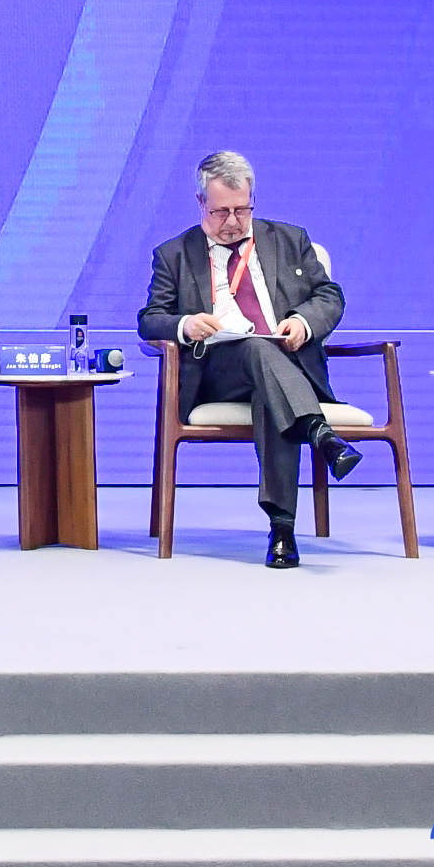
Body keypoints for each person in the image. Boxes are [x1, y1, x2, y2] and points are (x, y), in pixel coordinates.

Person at [139, 150, 357, 567]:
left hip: (287, 367)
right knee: (255, 347)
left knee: (269, 394)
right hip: (217, 371)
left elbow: (330, 296)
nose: (233, 221)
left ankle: (282, 531)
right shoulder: (174, 254)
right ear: (201, 203)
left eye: (242, 210)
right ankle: (319, 432)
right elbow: (149, 320)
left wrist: (303, 322)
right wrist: (186, 324)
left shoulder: (290, 240)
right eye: (221, 212)